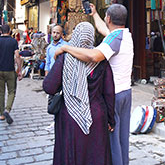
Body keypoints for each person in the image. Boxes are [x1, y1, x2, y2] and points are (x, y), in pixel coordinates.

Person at [55, 3, 133, 165]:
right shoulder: (124, 35)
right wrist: (95, 13)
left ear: (109, 18)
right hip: (126, 92)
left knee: (113, 141)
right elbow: (103, 30)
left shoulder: (114, 38)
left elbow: (94, 56)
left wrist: (67, 49)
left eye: (105, 17)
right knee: (123, 138)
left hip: (115, 95)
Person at [43, 22, 115, 165]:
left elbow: (49, 87)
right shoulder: (100, 60)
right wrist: (111, 119)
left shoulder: (65, 58)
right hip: (96, 116)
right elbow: (109, 93)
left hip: (69, 116)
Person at [0, 24, 23, 124]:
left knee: (1, 92)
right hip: (10, 70)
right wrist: (19, 70)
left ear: (0, 31)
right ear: (9, 31)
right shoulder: (13, 41)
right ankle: (7, 110)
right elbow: (17, 56)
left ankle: (2, 115)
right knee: (12, 91)